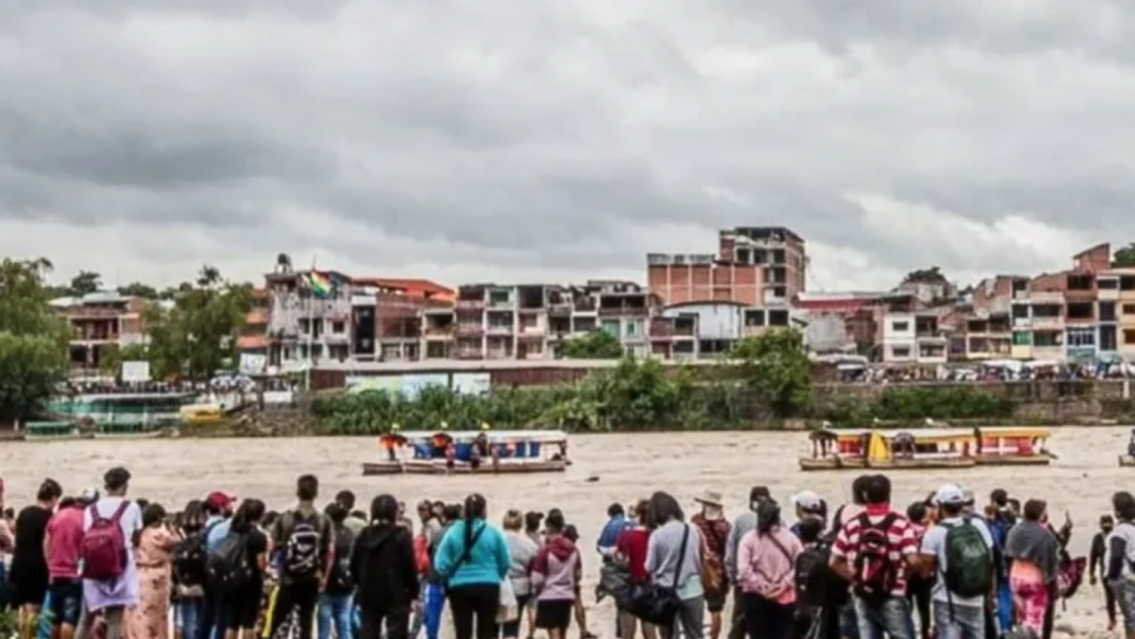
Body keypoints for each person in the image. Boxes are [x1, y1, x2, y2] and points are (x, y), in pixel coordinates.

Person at [829, 474, 917, 639]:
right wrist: (903, 576)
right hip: (893, 593)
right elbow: (912, 560)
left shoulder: (853, 524)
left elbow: (833, 562)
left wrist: (856, 578)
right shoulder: (901, 524)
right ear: (889, 495)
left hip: (862, 594)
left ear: (865, 496)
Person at [917, 485, 994, 639]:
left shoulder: (934, 534)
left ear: (940, 507)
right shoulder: (977, 525)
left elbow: (924, 572)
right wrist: (991, 592)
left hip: (947, 600)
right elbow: (990, 560)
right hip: (976, 598)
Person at [433, 493, 511, 639]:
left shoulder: (452, 532)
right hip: (488, 585)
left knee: (462, 632)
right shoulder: (493, 533)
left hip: (459, 587)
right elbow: (505, 561)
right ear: (484, 511)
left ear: (464, 511)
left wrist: (450, 575)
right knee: (486, 632)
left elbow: (440, 563)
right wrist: (497, 574)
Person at [80, 467, 144, 639]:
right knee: (115, 620)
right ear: (124, 486)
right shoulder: (132, 507)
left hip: (92, 568)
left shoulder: (90, 509)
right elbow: (137, 537)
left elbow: (85, 535)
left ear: (106, 486)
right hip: (120, 567)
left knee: (85, 619)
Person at [268, 475, 334, 639]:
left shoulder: (285, 517)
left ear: (297, 492)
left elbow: (271, 546)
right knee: (306, 621)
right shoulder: (323, 519)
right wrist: (324, 577)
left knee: (280, 620)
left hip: (288, 577)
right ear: (316, 493)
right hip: (311, 577)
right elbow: (330, 551)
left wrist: (274, 571)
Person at [351, 494, 419, 639]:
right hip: (397, 592)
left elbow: (354, 563)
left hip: (369, 591)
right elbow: (409, 566)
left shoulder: (365, 534)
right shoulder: (402, 535)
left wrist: (359, 583)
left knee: (368, 630)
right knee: (397, 632)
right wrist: (414, 591)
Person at [737, 500, 803, 639]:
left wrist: (762, 586)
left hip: (755, 598)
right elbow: (800, 564)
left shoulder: (748, 539)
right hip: (784, 597)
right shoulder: (791, 538)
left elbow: (743, 570)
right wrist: (784, 584)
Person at [645, 491, 705, 639]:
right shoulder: (693, 529)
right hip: (693, 588)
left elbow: (649, 566)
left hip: (666, 591)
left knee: (669, 635)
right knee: (695, 634)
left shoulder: (657, 535)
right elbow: (700, 558)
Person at [10, 478, 61, 639]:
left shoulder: (24, 513)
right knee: (34, 606)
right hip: (37, 566)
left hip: (19, 562)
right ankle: (30, 637)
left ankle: (20, 635)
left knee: (22, 606)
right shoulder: (49, 517)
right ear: (53, 498)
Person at [125, 503, 182, 639]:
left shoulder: (138, 534)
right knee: (156, 617)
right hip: (157, 578)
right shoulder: (159, 534)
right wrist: (171, 527)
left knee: (140, 614)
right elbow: (178, 540)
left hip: (139, 575)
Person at [1005, 499, 1060, 636]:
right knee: (1033, 621)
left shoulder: (1014, 530)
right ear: (1041, 514)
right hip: (1034, 578)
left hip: (1015, 576)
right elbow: (1049, 563)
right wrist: (1053, 585)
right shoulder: (1046, 535)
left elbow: (1007, 554)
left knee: (1019, 616)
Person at [45, 488, 95, 639]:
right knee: (69, 618)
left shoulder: (57, 516)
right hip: (73, 574)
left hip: (55, 574)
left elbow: (46, 542)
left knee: (55, 618)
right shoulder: (85, 518)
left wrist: (50, 565)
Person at [725, 486, 771, 639]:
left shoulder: (740, 521)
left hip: (744, 583)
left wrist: (732, 578)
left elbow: (730, 553)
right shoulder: (779, 522)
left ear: (752, 502)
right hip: (770, 585)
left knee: (739, 625)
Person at [532, 510, 582, 639]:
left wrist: (536, 588)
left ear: (548, 527)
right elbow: (578, 574)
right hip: (566, 594)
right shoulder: (573, 549)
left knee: (553, 630)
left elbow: (537, 579)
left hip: (549, 594)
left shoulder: (545, 550)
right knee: (563, 630)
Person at [222, 499, 268, 639]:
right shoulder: (259, 536)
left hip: (232, 578)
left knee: (232, 623)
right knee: (249, 622)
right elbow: (261, 564)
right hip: (251, 581)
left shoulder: (233, 531)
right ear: (260, 516)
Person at [691, 491, 731, 639]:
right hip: (717, 571)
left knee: (696, 607)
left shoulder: (695, 522)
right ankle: (714, 637)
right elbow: (728, 551)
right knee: (716, 609)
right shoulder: (725, 526)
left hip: (699, 568)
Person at [616, 500, 657, 639]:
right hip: (649, 585)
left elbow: (621, 560)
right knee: (650, 629)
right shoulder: (655, 536)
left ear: (638, 515)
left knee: (627, 631)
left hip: (629, 585)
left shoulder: (625, 536)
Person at [318, 503, 356, 639]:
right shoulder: (350, 534)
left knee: (324, 623)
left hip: (327, 583)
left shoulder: (326, 534)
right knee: (344, 622)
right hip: (346, 582)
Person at [503, 510, 539, 639]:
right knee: (513, 625)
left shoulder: (497, 538)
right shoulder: (529, 544)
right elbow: (534, 567)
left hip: (499, 584)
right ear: (521, 523)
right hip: (521, 586)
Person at [1106, 492, 1135, 639]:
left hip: (1125, 577)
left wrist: (1111, 577)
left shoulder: (1120, 531)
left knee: (1130, 618)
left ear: (1117, 512)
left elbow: (1116, 555)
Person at [904, 502, 932, 639]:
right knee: (924, 606)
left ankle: (907, 633)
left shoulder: (905, 530)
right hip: (923, 573)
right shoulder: (927, 532)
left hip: (908, 573)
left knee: (907, 606)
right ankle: (925, 633)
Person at [1090, 514, 1118, 631]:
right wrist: (1091, 573)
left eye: (1108, 525)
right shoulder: (1097, 539)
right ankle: (1112, 619)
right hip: (1105, 572)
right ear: (1101, 526)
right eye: (1104, 525)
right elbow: (1093, 557)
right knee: (1110, 597)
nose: (1107, 528)